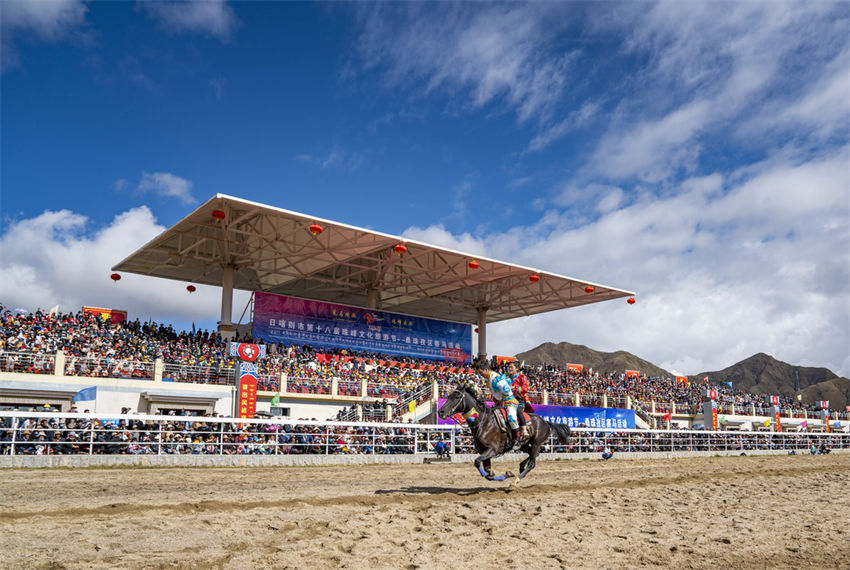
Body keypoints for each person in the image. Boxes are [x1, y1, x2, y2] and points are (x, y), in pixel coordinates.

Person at [475, 360, 520, 449]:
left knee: (511, 418)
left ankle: (516, 440)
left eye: (481, 372)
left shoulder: (496, 379)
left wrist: (502, 401)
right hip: (500, 402)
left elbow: (507, 391)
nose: (481, 375)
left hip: (509, 401)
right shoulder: (489, 378)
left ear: (486, 370)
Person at [506, 362, 530, 441]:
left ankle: (524, 430)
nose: (509, 369)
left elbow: (525, 389)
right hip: (508, 400)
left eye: (511, 367)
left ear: (516, 368)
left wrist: (514, 388)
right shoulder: (506, 378)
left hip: (519, 400)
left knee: (519, 412)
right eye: (509, 367)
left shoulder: (522, 377)